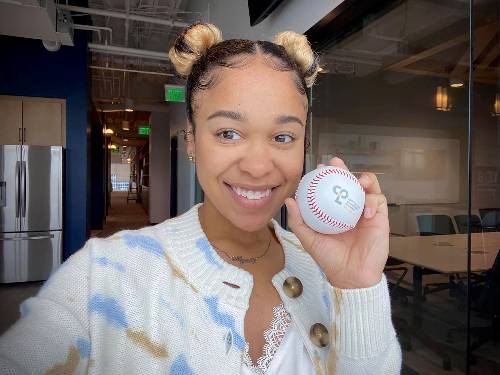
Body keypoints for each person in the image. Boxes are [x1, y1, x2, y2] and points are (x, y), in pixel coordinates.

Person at [0, 23, 401, 374]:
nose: (259, 167)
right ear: (191, 141)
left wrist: (357, 285)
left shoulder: (328, 270)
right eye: (228, 133)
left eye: (283, 137)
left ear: (303, 147)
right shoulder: (103, 275)